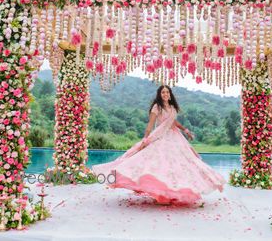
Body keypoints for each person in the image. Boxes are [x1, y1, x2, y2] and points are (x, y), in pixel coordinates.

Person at [91, 85, 226, 205]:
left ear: (170, 94)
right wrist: (145, 139)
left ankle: (172, 194)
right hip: (160, 138)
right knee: (158, 164)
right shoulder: (157, 107)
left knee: (177, 165)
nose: (165, 94)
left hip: (175, 138)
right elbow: (150, 125)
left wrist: (185, 130)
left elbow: (173, 123)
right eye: (163, 93)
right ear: (159, 95)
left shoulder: (172, 108)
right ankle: (161, 194)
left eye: (167, 92)